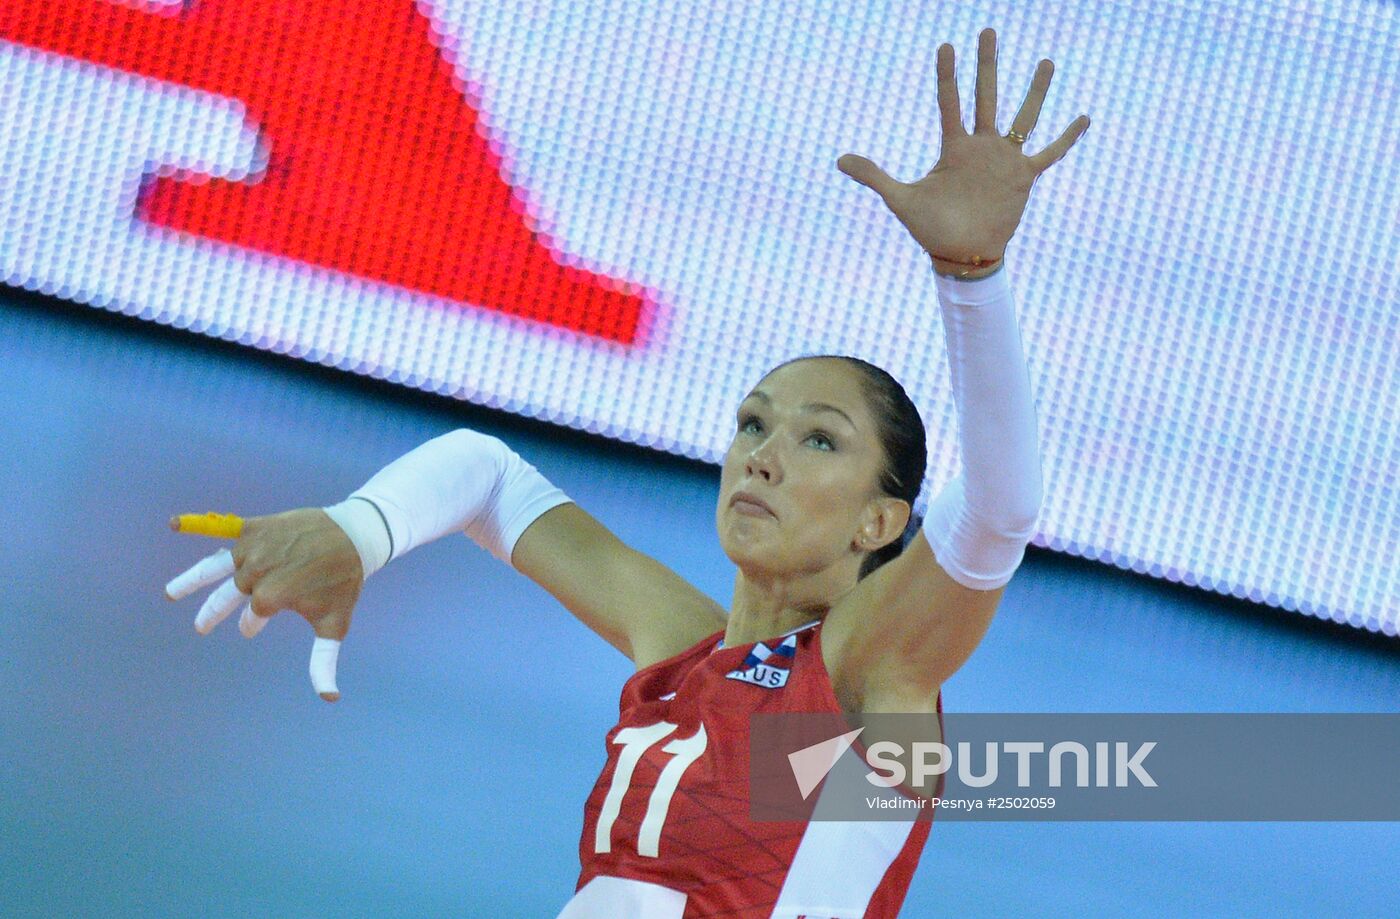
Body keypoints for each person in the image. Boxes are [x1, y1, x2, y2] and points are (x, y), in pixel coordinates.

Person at [164, 28, 1087, 917]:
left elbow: (999, 512)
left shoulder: (868, 676)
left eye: (819, 440)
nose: (761, 452)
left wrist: (973, 276)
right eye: (753, 423)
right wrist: (357, 529)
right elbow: (487, 475)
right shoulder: (686, 658)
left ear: (879, 522)